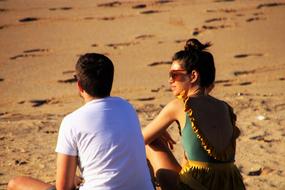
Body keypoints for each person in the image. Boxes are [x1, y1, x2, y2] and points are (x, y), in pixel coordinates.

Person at [8, 53, 154, 190]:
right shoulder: (127, 107)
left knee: (16, 183)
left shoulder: (71, 122)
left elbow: (63, 187)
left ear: (79, 85)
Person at [143, 39, 245, 190]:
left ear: (193, 76)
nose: (170, 80)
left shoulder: (179, 105)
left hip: (196, 187)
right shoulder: (225, 107)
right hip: (232, 185)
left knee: (151, 144)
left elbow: (137, 139)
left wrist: (157, 133)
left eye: (175, 75)